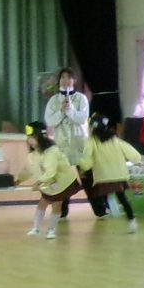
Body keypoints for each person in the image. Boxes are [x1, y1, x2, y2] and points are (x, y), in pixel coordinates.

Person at [82, 113, 144, 232]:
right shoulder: (114, 139)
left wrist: (83, 167)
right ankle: (132, 221)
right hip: (119, 174)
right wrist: (137, 160)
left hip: (104, 176)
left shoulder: (91, 142)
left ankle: (109, 209)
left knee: (100, 193)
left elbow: (86, 159)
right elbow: (129, 150)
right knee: (122, 198)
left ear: (93, 127)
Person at [44, 69, 91, 213]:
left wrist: (70, 110)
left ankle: (100, 209)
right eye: (63, 77)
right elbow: (50, 120)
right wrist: (61, 111)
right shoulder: (53, 100)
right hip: (61, 143)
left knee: (86, 177)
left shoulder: (81, 98)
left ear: (74, 80)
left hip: (79, 142)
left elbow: (82, 118)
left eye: (69, 77)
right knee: (63, 178)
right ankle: (62, 211)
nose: (65, 80)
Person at [20, 124, 78, 239]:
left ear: (41, 137)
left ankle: (51, 230)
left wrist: (38, 183)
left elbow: (50, 172)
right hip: (49, 182)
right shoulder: (34, 153)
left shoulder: (52, 151)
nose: (29, 140)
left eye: (32, 137)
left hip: (63, 182)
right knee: (42, 203)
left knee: (57, 204)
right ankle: (36, 228)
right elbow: (29, 169)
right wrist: (19, 180)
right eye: (28, 137)